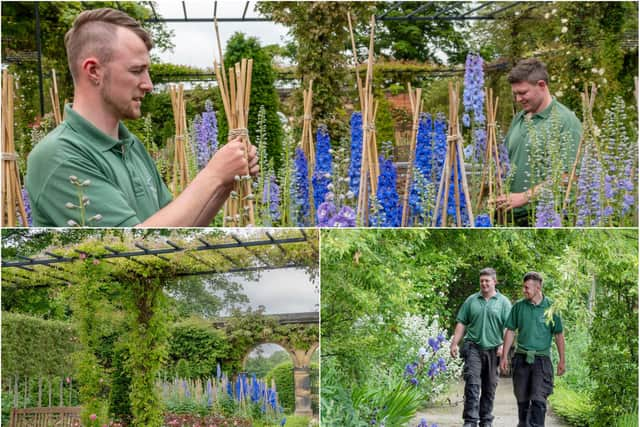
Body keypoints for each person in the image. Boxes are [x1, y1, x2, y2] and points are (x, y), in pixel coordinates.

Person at [26, 8, 258, 227]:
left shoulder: (131, 146)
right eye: (137, 70)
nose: (149, 84)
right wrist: (212, 175)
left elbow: (178, 231)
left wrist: (224, 183)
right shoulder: (59, 156)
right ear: (94, 71)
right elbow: (131, 248)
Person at [495, 58, 582, 226]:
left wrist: (524, 197)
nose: (518, 99)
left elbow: (568, 177)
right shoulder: (520, 118)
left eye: (523, 93)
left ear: (542, 85)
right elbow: (506, 160)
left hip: (543, 219)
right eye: (515, 94)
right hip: (508, 215)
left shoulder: (566, 121)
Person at [499, 272, 565, 427]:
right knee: (522, 400)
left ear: (538, 287)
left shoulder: (551, 308)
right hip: (521, 359)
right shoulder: (519, 307)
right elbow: (510, 331)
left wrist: (562, 360)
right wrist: (504, 357)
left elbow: (559, 335)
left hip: (542, 361)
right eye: (524, 287)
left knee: (538, 400)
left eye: (527, 287)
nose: (524, 290)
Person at [450, 268, 512, 427]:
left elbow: (508, 328)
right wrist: (454, 343)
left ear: (494, 282)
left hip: (493, 350)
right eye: (482, 281)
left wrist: (504, 346)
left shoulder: (503, 302)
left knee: (489, 387)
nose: (484, 284)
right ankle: (470, 421)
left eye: (487, 281)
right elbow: (462, 322)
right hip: (473, 348)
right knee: (472, 383)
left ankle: (486, 420)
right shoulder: (471, 300)